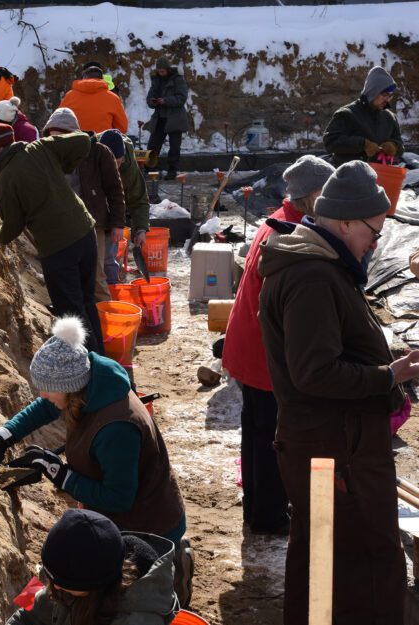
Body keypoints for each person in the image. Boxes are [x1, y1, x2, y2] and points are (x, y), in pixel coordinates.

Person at [258, 160, 418, 624]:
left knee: (324, 558)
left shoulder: (320, 265)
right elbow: (315, 373)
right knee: (361, 560)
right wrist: (388, 376)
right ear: (345, 222)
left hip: (328, 444)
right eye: (375, 229)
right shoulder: (312, 276)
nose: (377, 241)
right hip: (333, 448)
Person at [0, 316, 192, 605]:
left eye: (47, 388)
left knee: (142, 606)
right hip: (121, 519)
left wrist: (61, 474)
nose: (42, 394)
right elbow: (46, 405)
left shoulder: (117, 426)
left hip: (150, 527)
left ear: (70, 388)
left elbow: (118, 499)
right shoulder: (91, 385)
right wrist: (4, 436)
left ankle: (177, 569)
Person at [223, 155, 335, 535]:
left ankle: (258, 509)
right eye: (326, 192)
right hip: (263, 352)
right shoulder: (289, 232)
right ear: (310, 195)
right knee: (272, 436)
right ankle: (268, 516)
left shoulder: (280, 219)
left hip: (248, 346)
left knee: (255, 429)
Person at [0, 124, 104, 354]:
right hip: (85, 232)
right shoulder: (39, 148)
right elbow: (84, 141)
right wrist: (63, 167)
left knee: (72, 314)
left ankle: (92, 369)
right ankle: (103, 358)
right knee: (86, 301)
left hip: (59, 247)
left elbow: (13, 226)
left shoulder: (6, 178)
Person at [5, 508, 179, 625]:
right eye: (52, 577)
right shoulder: (65, 584)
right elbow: (27, 616)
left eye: (63, 583)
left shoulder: (136, 618)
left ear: (94, 583)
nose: (54, 586)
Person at [42, 108, 126, 303]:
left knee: (96, 277)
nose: (57, 142)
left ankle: (105, 323)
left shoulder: (98, 152)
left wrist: (117, 224)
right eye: (53, 138)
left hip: (92, 224)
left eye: (61, 137)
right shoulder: (48, 156)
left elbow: (115, 190)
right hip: (63, 225)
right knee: (69, 277)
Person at [323, 65, 404, 166]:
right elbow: (330, 142)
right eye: (384, 95)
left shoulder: (390, 118)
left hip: (381, 176)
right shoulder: (347, 114)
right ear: (373, 92)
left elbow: (400, 146)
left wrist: (394, 146)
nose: (387, 100)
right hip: (347, 176)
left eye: (390, 95)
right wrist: (362, 144)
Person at [98, 130, 150, 284]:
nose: (116, 168)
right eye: (112, 164)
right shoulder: (91, 157)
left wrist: (140, 228)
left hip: (114, 215)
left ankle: (111, 293)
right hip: (93, 213)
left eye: (118, 163)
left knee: (108, 258)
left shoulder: (129, 168)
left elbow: (139, 198)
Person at [145, 57, 189, 180]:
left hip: (175, 118)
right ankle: (151, 169)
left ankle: (172, 171)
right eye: (159, 71)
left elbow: (181, 98)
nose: (160, 73)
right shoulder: (156, 80)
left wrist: (165, 101)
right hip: (160, 118)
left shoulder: (178, 80)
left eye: (163, 71)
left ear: (168, 70)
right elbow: (150, 96)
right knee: (153, 145)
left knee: (174, 147)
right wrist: (152, 102)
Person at [60, 61, 128, 134]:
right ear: (102, 78)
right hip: (103, 143)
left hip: (75, 143)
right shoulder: (113, 98)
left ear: (83, 78)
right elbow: (122, 128)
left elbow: (58, 122)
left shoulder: (69, 96)